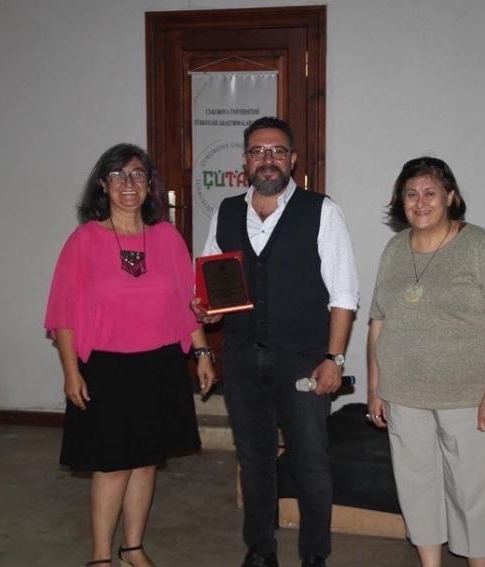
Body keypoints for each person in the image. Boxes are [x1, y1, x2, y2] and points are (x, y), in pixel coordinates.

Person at [193, 116, 358, 567]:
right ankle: (261, 550)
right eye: (258, 151)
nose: (268, 159)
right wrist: (207, 309)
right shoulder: (226, 212)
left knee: (310, 460)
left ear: (293, 159)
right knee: (254, 458)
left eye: (277, 151)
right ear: (245, 160)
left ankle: (314, 555)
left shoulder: (322, 211)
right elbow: (213, 281)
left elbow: (344, 295)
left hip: (304, 360)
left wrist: (335, 357)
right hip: (243, 357)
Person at [45, 143, 215, 567]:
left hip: (159, 365)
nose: (128, 183)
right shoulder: (83, 241)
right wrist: (71, 372)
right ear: (103, 185)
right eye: (118, 175)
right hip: (105, 369)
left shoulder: (167, 238)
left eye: (137, 174)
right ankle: (101, 557)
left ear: (149, 184)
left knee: (146, 463)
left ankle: (132, 548)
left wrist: (203, 352)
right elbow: (62, 314)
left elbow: (186, 302)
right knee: (112, 466)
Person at [367, 157, 485, 567]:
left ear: (450, 197)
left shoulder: (480, 247)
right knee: (416, 488)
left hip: (466, 396)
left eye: (430, 193)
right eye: (411, 194)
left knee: (471, 493)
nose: (420, 202)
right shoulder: (394, 249)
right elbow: (378, 322)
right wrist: (375, 388)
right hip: (403, 394)